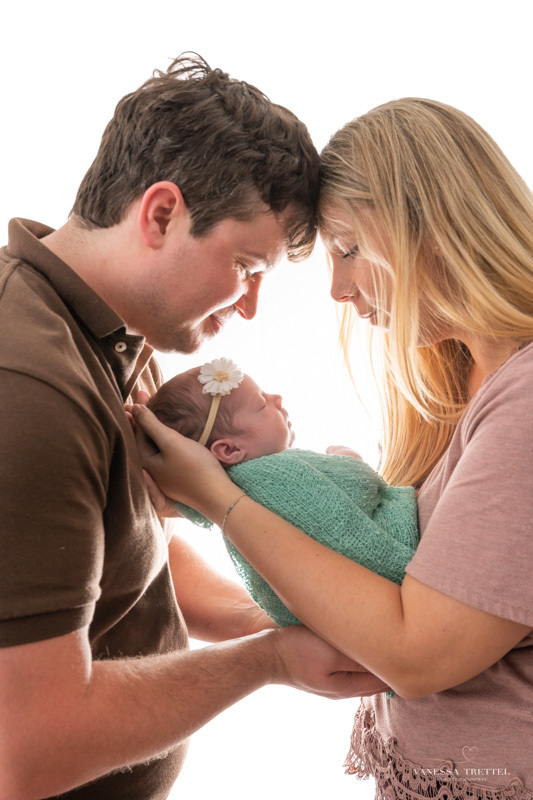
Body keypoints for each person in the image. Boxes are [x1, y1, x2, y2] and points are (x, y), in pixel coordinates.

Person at [0, 55, 386, 800]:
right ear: (162, 213)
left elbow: (126, 560)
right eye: (245, 266)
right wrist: (269, 660)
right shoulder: (29, 388)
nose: (248, 307)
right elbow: (27, 751)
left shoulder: (117, 336)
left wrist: (270, 617)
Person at [132, 98, 533, 798]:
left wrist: (219, 499)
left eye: (349, 250)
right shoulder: (461, 377)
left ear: (432, 228)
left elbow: (416, 655)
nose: (339, 289)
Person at [146, 357, 418, 627]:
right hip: (377, 571)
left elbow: (204, 510)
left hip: (306, 613)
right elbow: (358, 489)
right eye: (262, 404)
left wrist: (176, 506)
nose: (277, 398)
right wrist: (352, 460)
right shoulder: (280, 471)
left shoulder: (228, 489)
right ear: (229, 450)